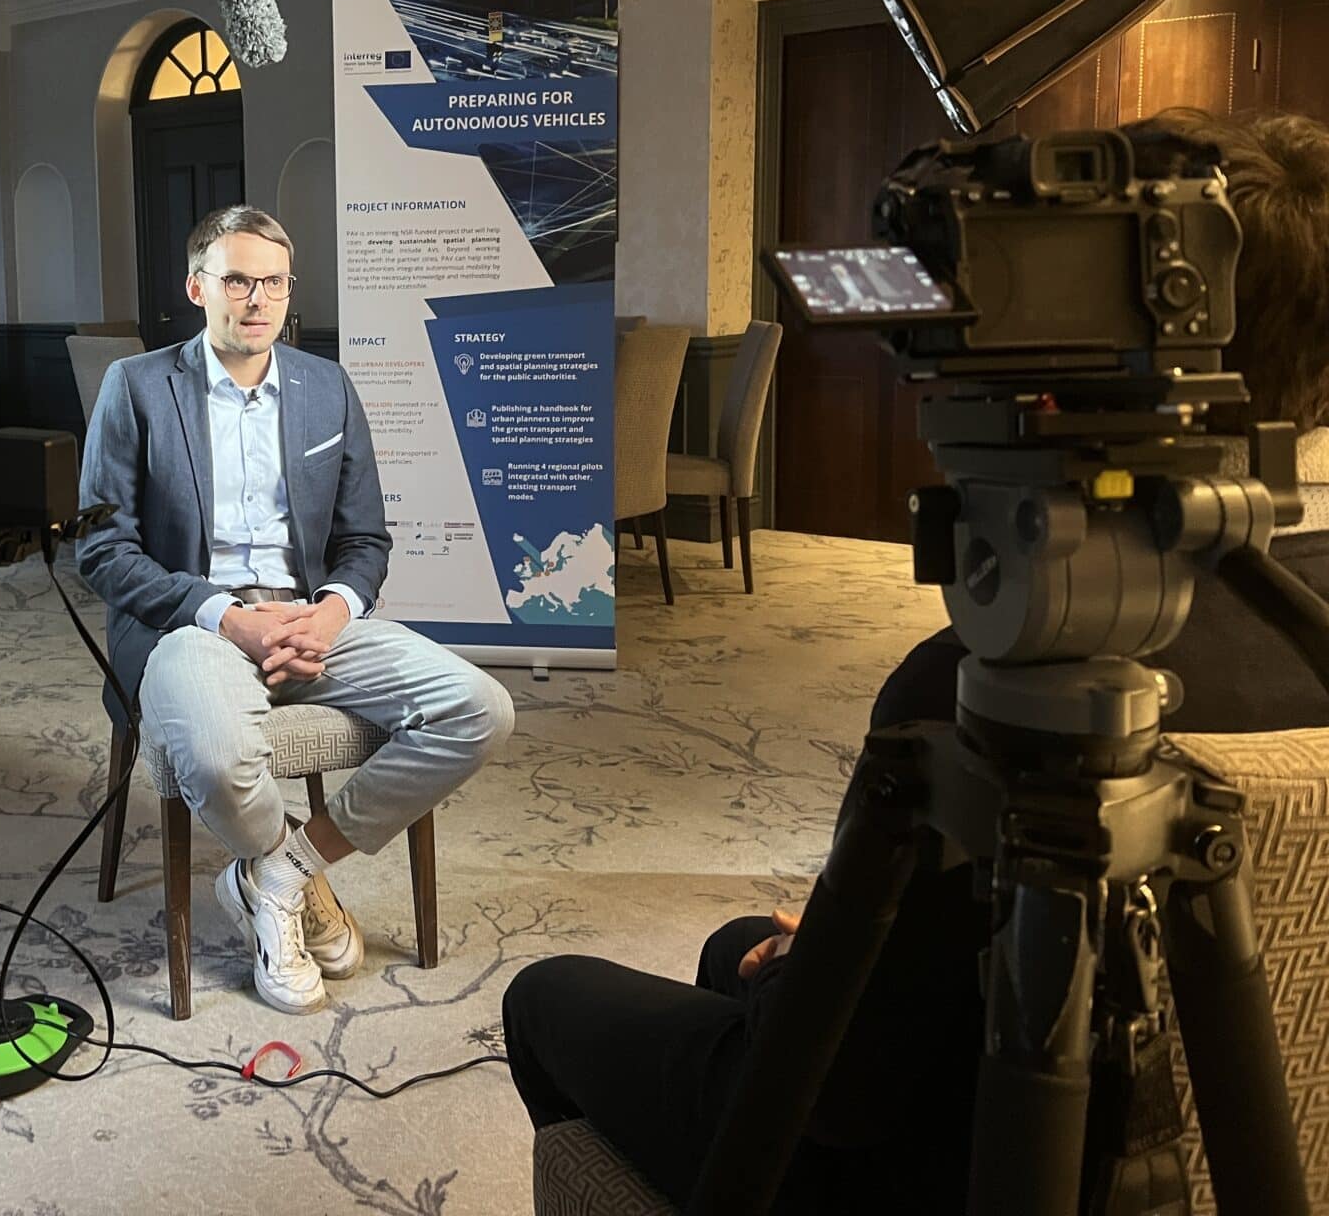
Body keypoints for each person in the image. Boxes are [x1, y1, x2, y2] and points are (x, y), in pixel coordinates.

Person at [503, 109, 1329, 1210]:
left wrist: (805, 982)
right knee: (736, 944)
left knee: (545, 994)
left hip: (935, 1170)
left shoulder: (971, 694)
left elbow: (842, 1097)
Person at [78, 204, 515, 1014]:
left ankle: (280, 876)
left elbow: (365, 540)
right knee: (215, 758)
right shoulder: (135, 387)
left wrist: (332, 613)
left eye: (274, 282)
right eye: (238, 280)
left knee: (479, 709)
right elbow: (102, 551)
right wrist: (225, 616)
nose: (258, 300)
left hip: (312, 619)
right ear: (197, 287)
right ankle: (291, 883)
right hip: (195, 624)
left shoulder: (326, 386)